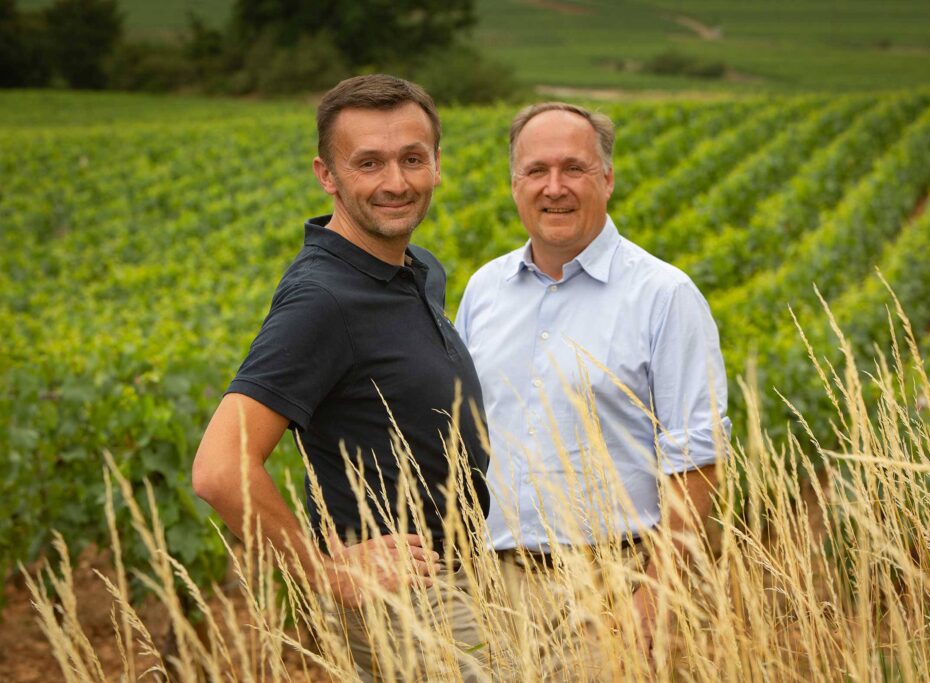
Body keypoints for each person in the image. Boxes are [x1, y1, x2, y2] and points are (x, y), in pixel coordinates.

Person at [192, 74, 493, 681]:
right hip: (404, 604)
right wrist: (325, 571)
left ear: (437, 164)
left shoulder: (416, 268)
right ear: (326, 175)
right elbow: (220, 468)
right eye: (369, 163)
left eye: (413, 159)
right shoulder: (322, 300)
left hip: (459, 579)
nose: (396, 183)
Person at [455, 102, 731, 676]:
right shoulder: (484, 290)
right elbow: (462, 430)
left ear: (607, 179)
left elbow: (697, 457)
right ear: (514, 184)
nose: (554, 187)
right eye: (536, 171)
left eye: (573, 168)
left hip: (612, 582)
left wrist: (655, 595)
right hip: (492, 587)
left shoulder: (664, 295)